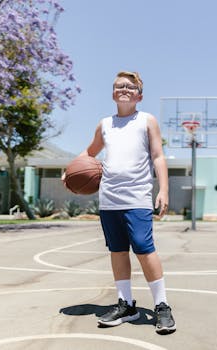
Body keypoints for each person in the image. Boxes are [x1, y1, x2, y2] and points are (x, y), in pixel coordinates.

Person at [69, 71, 175, 334]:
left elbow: (158, 156)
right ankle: (126, 304)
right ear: (113, 93)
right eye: (119, 86)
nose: (124, 89)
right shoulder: (104, 124)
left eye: (130, 86)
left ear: (139, 94)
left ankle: (162, 305)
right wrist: (69, 171)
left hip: (137, 196)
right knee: (117, 250)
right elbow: (89, 153)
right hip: (109, 198)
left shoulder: (147, 121)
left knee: (143, 247)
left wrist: (163, 190)